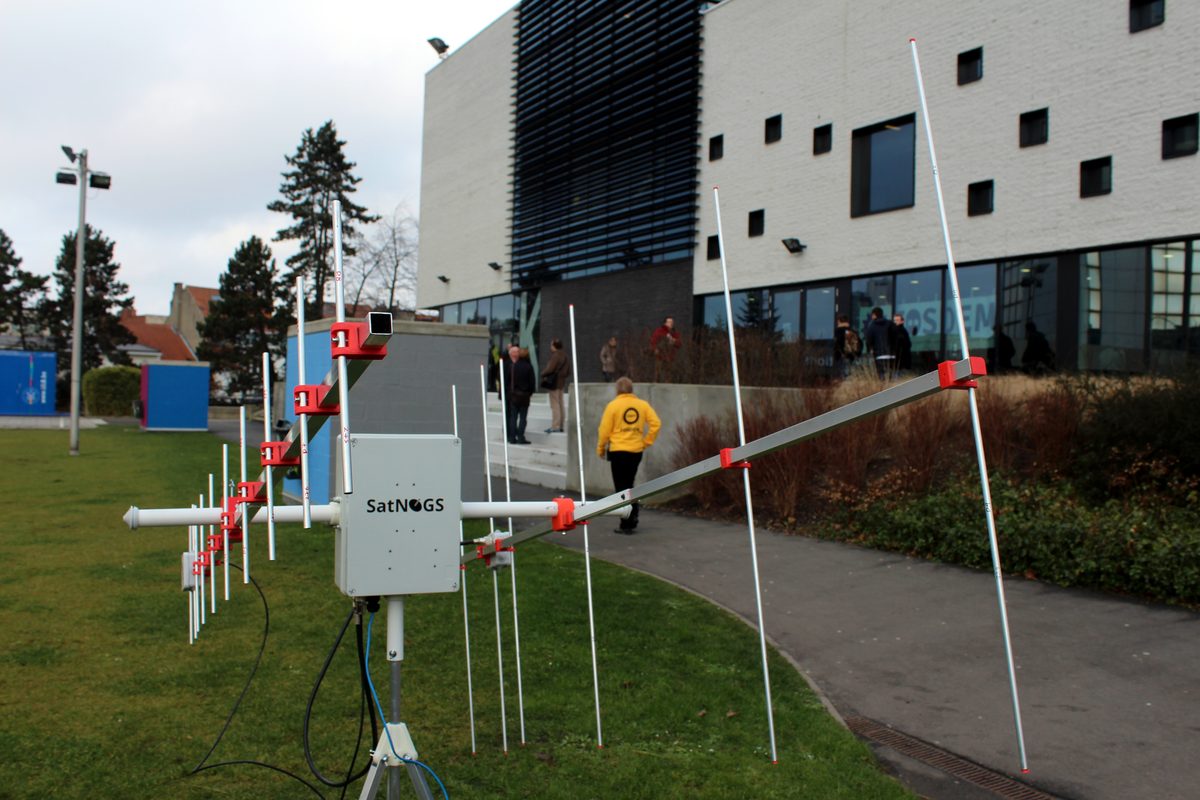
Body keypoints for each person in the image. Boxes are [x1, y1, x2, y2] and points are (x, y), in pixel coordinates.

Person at [596, 377, 661, 533]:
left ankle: (627, 522)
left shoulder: (613, 406)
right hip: (635, 451)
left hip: (617, 451)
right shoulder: (642, 405)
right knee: (630, 485)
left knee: (621, 488)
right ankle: (632, 516)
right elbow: (656, 424)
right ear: (632, 389)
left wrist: (601, 448)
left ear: (617, 390)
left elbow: (604, 430)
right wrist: (646, 442)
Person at [502, 344, 535, 444]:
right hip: (524, 395)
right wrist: (529, 393)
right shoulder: (529, 367)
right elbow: (532, 383)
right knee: (523, 418)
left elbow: (508, 381)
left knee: (513, 417)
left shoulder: (513, 366)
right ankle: (520, 437)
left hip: (514, 395)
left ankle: (512, 437)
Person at [540, 338, 571, 433]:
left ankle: (555, 426)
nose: (550, 347)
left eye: (551, 345)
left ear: (554, 346)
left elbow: (550, 369)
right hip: (562, 382)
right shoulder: (565, 356)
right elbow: (569, 371)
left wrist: (543, 373)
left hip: (554, 382)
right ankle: (561, 425)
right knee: (561, 403)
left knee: (555, 405)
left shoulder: (556, 356)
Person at [864, 307, 894, 379]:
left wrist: (869, 349)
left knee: (881, 376)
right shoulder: (890, 324)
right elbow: (895, 337)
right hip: (891, 354)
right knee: (892, 376)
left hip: (879, 355)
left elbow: (869, 339)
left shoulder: (872, 326)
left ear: (874, 315)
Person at [649, 316, 682, 382]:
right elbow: (653, 341)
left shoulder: (674, 333)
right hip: (660, 356)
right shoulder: (659, 331)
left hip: (670, 358)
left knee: (668, 375)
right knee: (658, 374)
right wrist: (655, 349)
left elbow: (679, 344)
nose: (671, 323)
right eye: (669, 322)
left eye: (672, 322)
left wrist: (673, 340)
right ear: (665, 323)